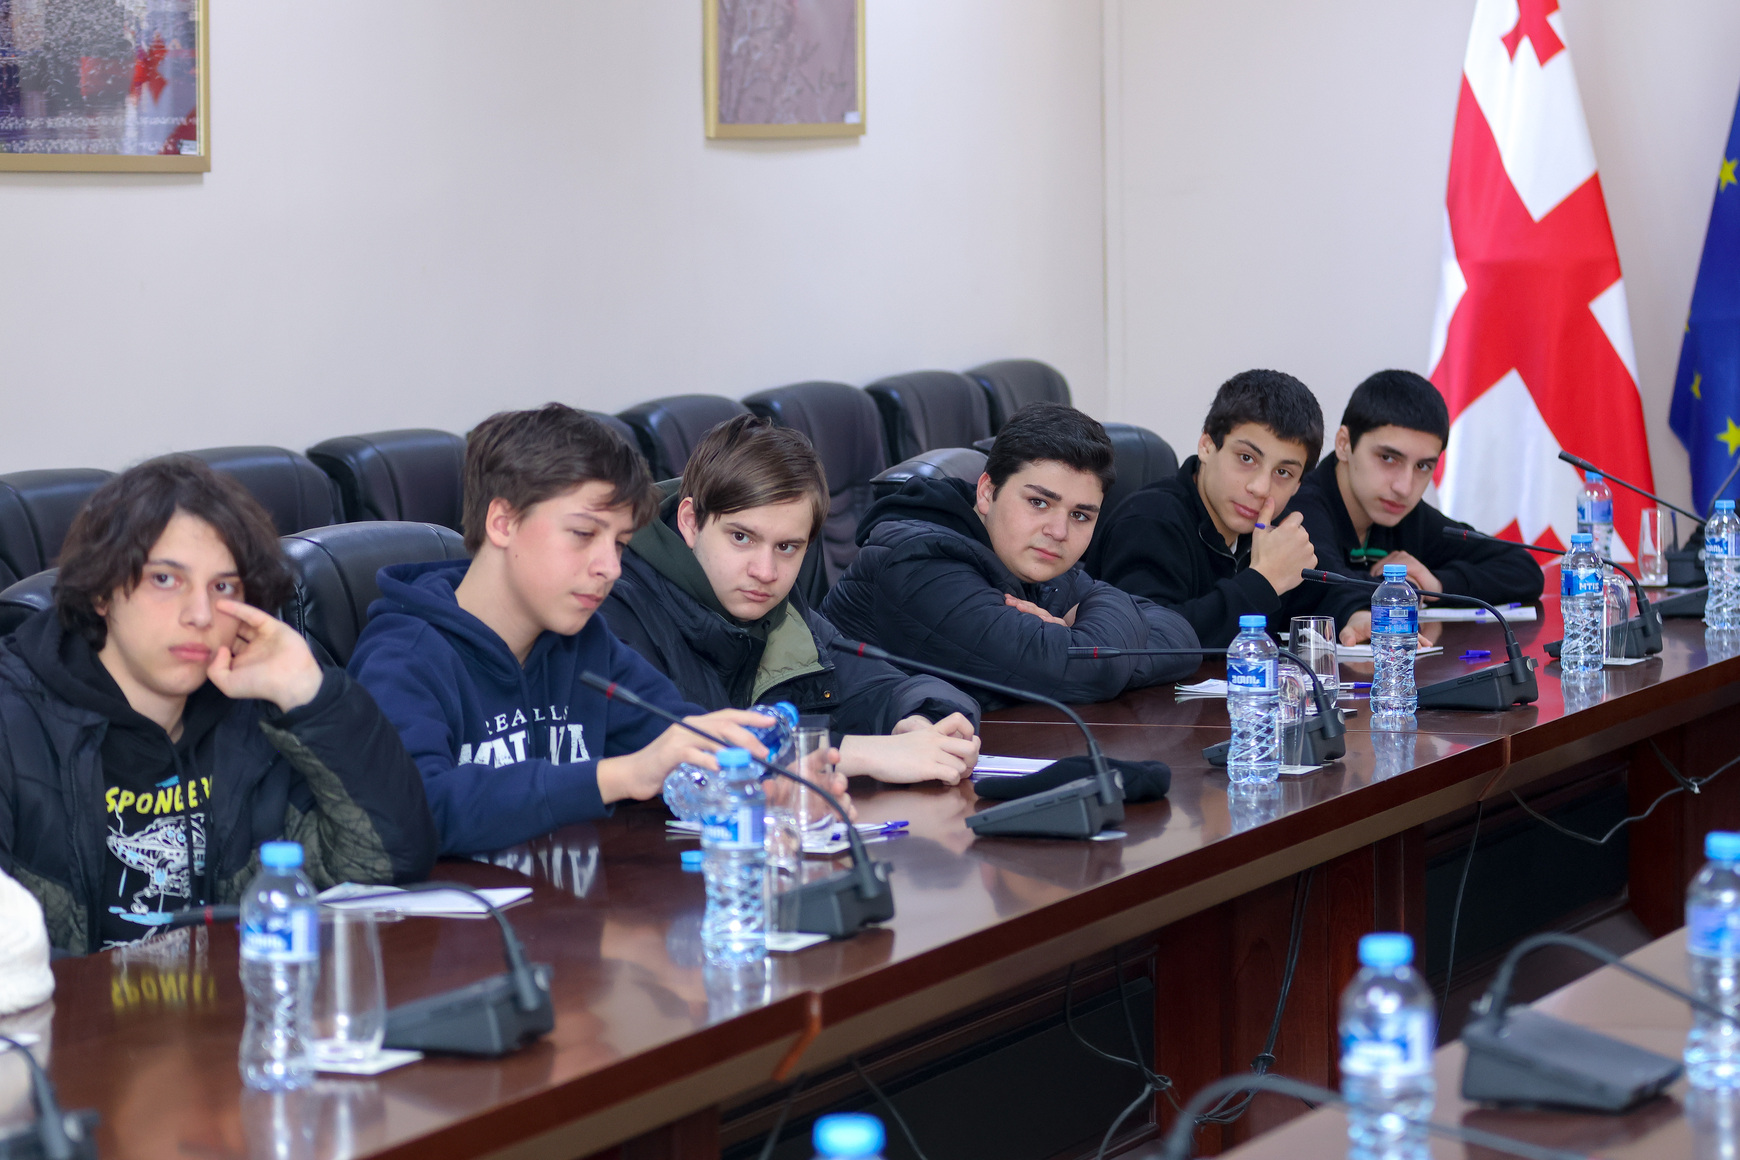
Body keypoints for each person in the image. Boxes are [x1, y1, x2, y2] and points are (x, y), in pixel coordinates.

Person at [0, 457, 438, 954]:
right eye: (165, 580)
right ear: (102, 591)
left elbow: (388, 862)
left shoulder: (256, 714)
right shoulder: (14, 721)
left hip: (234, 998)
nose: (201, 615)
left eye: (223, 587)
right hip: (69, 1006)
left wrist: (310, 696)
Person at [349, 404, 798, 857]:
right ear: (503, 522)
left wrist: (778, 785)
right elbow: (411, 815)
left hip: (569, 900)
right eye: (584, 534)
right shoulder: (404, 657)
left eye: (619, 544)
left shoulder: (586, 646)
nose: (610, 568)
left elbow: (682, 747)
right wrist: (618, 775)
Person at [601, 415, 982, 784]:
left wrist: (918, 720)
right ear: (690, 522)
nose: (765, 572)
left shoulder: (779, 610)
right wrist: (857, 754)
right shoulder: (615, 602)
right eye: (741, 538)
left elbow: (883, 687)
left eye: (786, 547)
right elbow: (671, 748)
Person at [822, 402, 1200, 706]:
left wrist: (1079, 636)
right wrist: (1085, 628)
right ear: (987, 492)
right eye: (1038, 502)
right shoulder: (918, 567)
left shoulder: (1027, 555)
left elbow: (1182, 639)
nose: (1059, 531)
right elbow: (1089, 673)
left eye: (1080, 515)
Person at [1286, 369, 1545, 643]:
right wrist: (1407, 587)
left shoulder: (1405, 514)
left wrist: (1436, 584)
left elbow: (1522, 569)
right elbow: (1326, 584)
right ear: (1343, 444)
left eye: (1422, 466)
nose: (1405, 487)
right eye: (1388, 458)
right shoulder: (1299, 506)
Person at [1095, 369, 1325, 648]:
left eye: (1283, 472)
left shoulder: (1271, 534)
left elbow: (1325, 600)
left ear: (1298, 485)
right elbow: (1148, 641)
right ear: (1206, 446)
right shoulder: (1148, 521)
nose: (1261, 487)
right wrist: (1263, 581)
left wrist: (1354, 613)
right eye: (1246, 458)